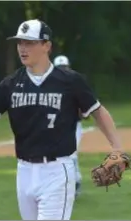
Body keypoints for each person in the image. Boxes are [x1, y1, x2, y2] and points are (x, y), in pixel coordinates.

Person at [0, 19, 125, 220]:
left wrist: (117, 149)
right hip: (24, 172)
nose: (22, 48)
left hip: (57, 172)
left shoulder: (70, 81)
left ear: (46, 46)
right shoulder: (11, 84)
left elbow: (97, 111)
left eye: (29, 43)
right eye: (20, 42)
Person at [53, 55, 83, 197]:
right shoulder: (49, 85)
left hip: (73, 125)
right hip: (54, 126)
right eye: (60, 69)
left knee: (71, 154)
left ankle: (75, 182)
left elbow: (85, 111)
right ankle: (62, 185)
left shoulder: (75, 84)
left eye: (64, 68)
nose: (62, 71)